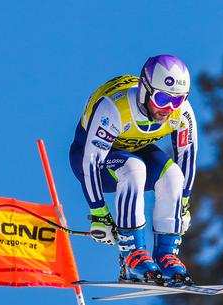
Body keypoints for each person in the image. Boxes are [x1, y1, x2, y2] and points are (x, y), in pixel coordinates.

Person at [69, 55, 197, 285]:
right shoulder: (115, 108)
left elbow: (187, 156)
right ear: (145, 90)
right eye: (161, 99)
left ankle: (167, 256)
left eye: (176, 101)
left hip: (134, 152)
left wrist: (184, 205)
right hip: (92, 164)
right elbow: (90, 160)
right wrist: (99, 213)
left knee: (173, 175)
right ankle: (132, 256)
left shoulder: (182, 112)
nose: (168, 108)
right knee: (133, 168)